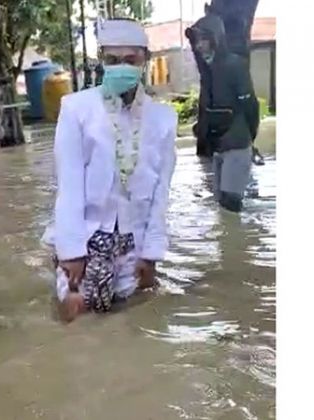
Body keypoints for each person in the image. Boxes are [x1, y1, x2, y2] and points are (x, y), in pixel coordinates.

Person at [42, 18, 178, 322]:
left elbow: (161, 193)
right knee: (77, 324)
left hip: (134, 244)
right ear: (101, 61)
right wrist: (71, 252)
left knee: (130, 324)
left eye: (130, 60)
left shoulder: (163, 119)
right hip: (87, 238)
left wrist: (151, 254)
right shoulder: (77, 109)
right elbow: (70, 184)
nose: (121, 67)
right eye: (113, 60)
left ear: (146, 60)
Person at [186, 14, 260, 213]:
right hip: (217, 146)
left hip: (237, 144)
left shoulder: (234, 65)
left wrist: (249, 137)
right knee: (221, 206)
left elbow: (251, 106)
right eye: (196, 41)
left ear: (216, 39)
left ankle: (239, 243)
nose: (199, 46)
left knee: (230, 204)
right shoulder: (207, 70)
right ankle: (228, 242)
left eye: (203, 39)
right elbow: (205, 109)